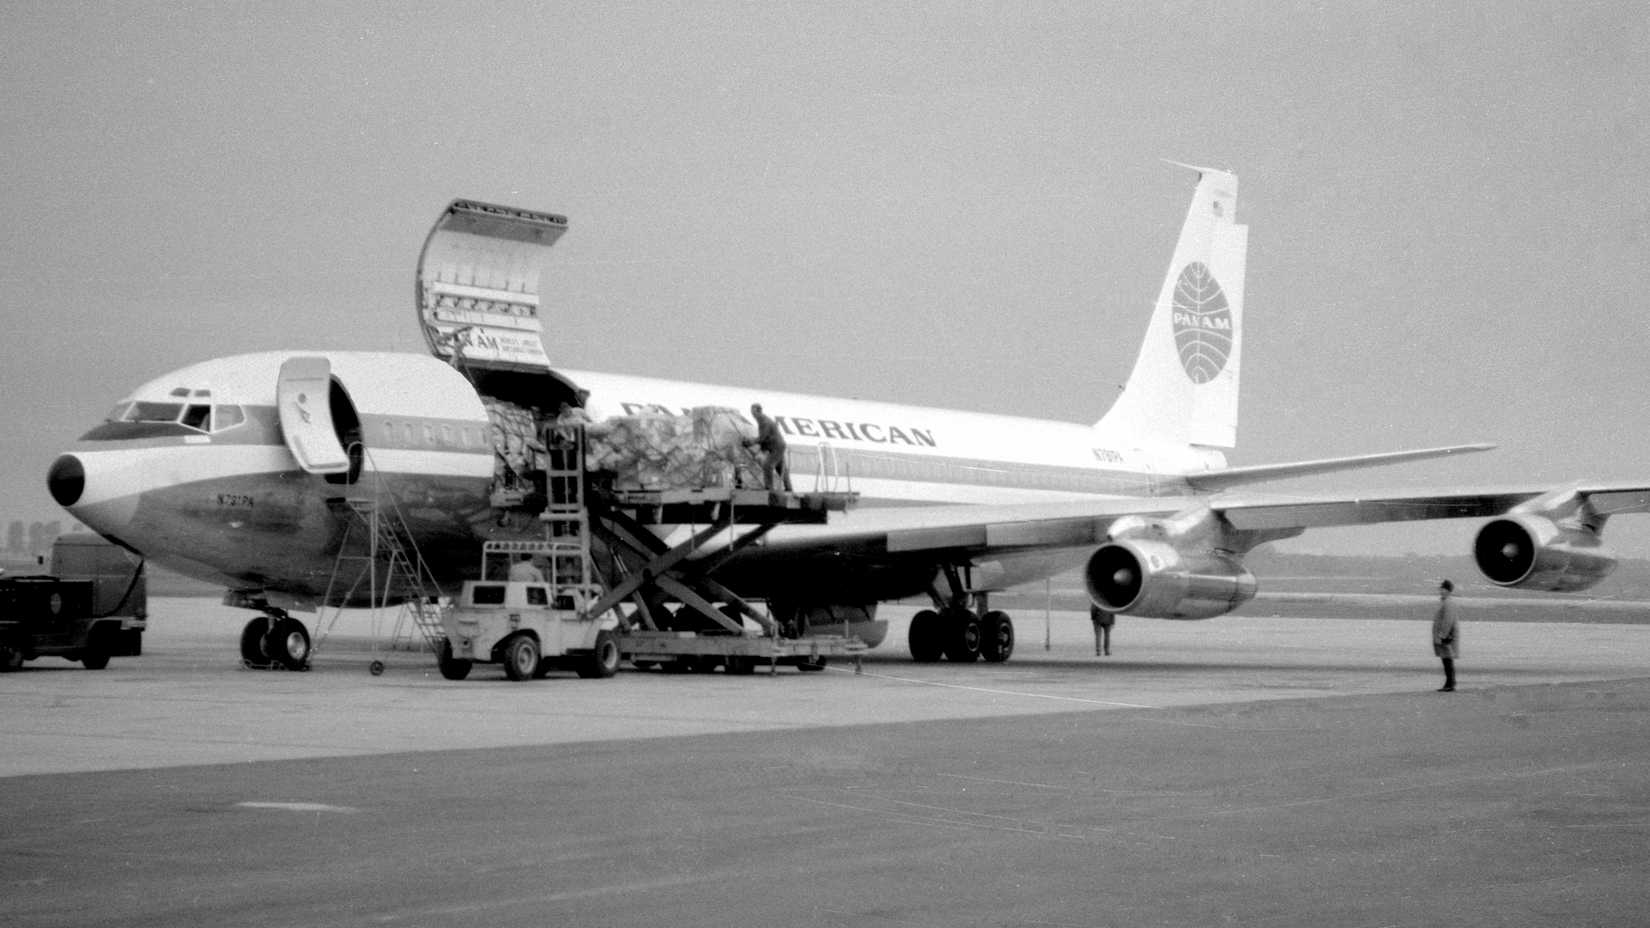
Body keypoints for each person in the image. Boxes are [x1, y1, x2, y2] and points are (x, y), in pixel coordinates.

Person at [746, 403, 793, 492]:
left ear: (759, 412)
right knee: (781, 468)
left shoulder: (764, 421)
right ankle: (789, 488)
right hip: (777, 446)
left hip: (776, 447)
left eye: (753, 412)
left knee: (768, 465)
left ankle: (769, 488)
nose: (752, 415)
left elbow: (763, 437)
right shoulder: (762, 420)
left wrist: (750, 442)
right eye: (751, 412)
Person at [1432, 579, 1459, 692]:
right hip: (1444, 637)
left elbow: (1448, 621)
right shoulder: (1445, 602)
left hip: (1446, 638)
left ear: (1448, 591)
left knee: (1447, 660)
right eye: (1441, 589)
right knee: (1446, 660)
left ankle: (1450, 683)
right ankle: (1450, 683)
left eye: (1443, 589)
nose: (1441, 591)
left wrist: (1443, 635)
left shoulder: (1448, 603)